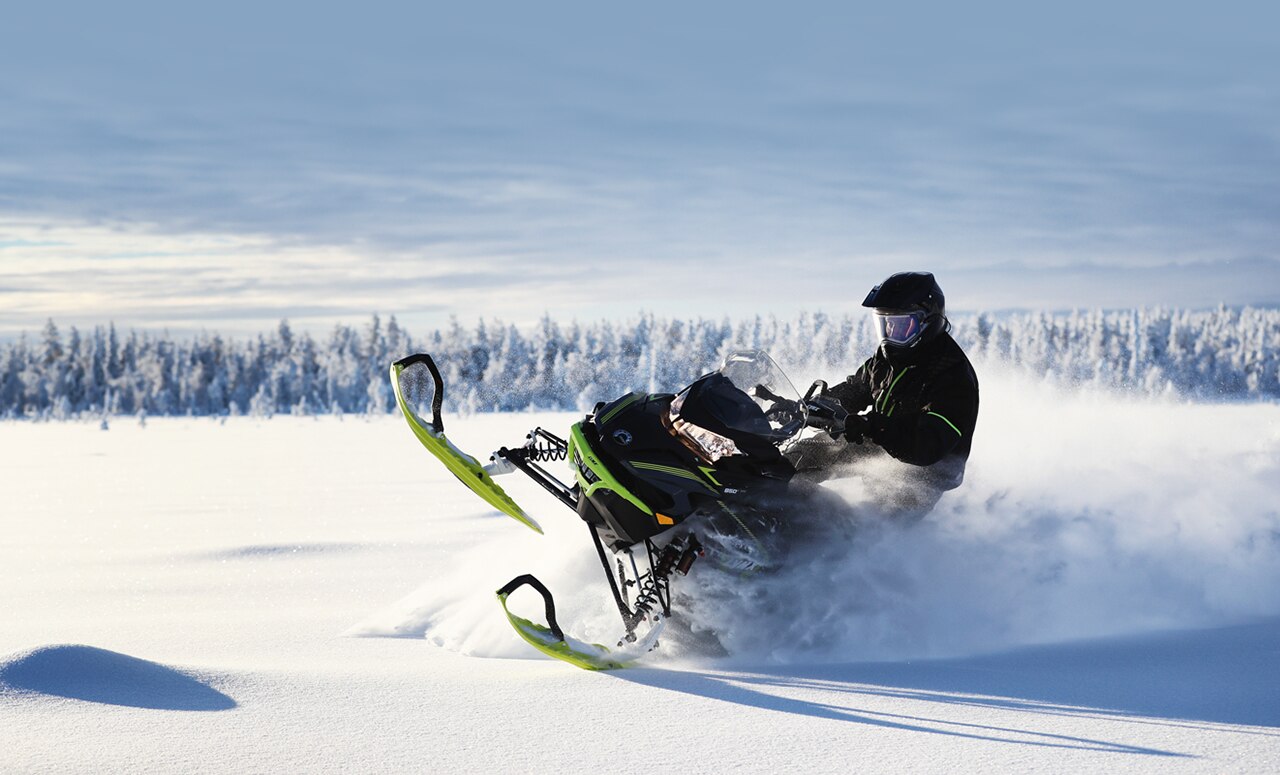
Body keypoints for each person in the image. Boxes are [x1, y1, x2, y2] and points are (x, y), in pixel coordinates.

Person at [787, 271, 979, 522]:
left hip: (922, 472)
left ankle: (841, 555)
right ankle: (763, 513)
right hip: (877, 441)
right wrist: (808, 407)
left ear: (928, 322)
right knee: (798, 457)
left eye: (900, 326)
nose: (890, 333)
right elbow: (857, 388)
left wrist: (870, 426)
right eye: (885, 324)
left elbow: (928, 445)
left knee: (873, 523)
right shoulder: (888, 359)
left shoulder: (952, 376)